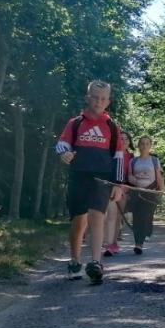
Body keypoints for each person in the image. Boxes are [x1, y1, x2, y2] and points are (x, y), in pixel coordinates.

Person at [56, 80, 124, 284]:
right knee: (79, 222)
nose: (98, 101)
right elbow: (61, 144)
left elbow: (119, 156)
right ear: (88, 98)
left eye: (103, 98)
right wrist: (65, 154)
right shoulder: (75, 123)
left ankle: (96, 262)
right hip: (78, 176)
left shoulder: (112, 127)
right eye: (95, 97)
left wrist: (118, 184)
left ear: (108, 102)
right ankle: (75, 260)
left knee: (97, 217)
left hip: (102, 178)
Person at [128, 136, 165, 254]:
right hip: (136, 192)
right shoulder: (133, 161)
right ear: (138, 146)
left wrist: (162, 188)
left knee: (145, 216)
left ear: (150, 146)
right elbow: (129, 175)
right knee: (136, 217)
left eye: (147, 144)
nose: (144, 146)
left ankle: (140, 242)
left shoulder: (154, 160)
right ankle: (137, 243)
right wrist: (135, 180)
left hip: (150, 192)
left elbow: (158, 176)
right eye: (142, 144)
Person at [103, 130, 134, 256]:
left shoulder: (132, 157)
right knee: (110, 215)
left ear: (129, 141)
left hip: (125, 190)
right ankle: (108, 244)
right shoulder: (112, 153)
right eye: (121, 138)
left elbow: (132, 175)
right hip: (112, 186)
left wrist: (129, 189)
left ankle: (114, 242)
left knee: (117, 218)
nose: (124, 140)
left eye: (126, 138)